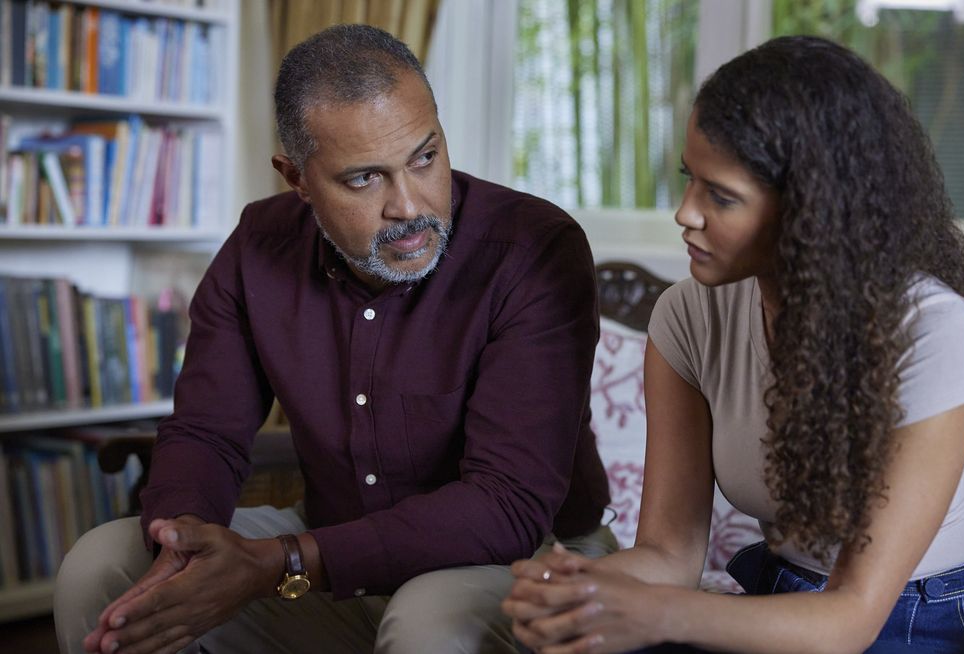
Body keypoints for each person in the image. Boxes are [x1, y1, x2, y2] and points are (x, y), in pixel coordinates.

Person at [54, 24, 617, 654]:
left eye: (425, 157)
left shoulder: (534, 248)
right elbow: (205, 432)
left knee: (429, 618)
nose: (409, 206)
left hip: (528, 560)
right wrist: (180, 546)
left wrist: (281, 561)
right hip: (330, 553)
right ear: (295, 178)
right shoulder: (257, 247)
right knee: (101, 565)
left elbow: (506, 506)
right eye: (364, 180)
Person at [503, 35, 964, 654]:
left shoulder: (931, 332)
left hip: (925, 614)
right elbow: (670, 555)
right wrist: (574, 589)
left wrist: (658, 615)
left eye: (720, 197)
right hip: (781, 594)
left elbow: (850, 622)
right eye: (688, 180)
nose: (685, 213)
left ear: (812, 212)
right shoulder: (687, 318)